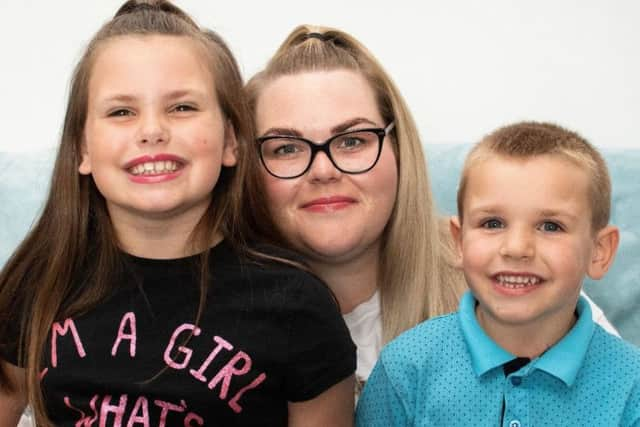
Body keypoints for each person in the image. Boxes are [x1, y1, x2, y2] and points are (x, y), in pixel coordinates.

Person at [0, 2, 355, 426]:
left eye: (182, 107)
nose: (152, 130)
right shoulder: (37, 283)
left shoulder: (298, 305)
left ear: (231, 140)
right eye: (121, 111)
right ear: (82, 149)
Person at [244, 25, 619, 396]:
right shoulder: (214, 319)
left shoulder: (505, 280)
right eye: (286, 148)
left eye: (353, 140)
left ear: (399, 151)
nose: (323, 171)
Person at [356, 122, 640, 426]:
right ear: (459, 242)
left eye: (550, 226)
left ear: (600, 251)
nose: (516, 248)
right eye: (492, 223)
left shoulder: (631, 384)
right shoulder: (406, 367)